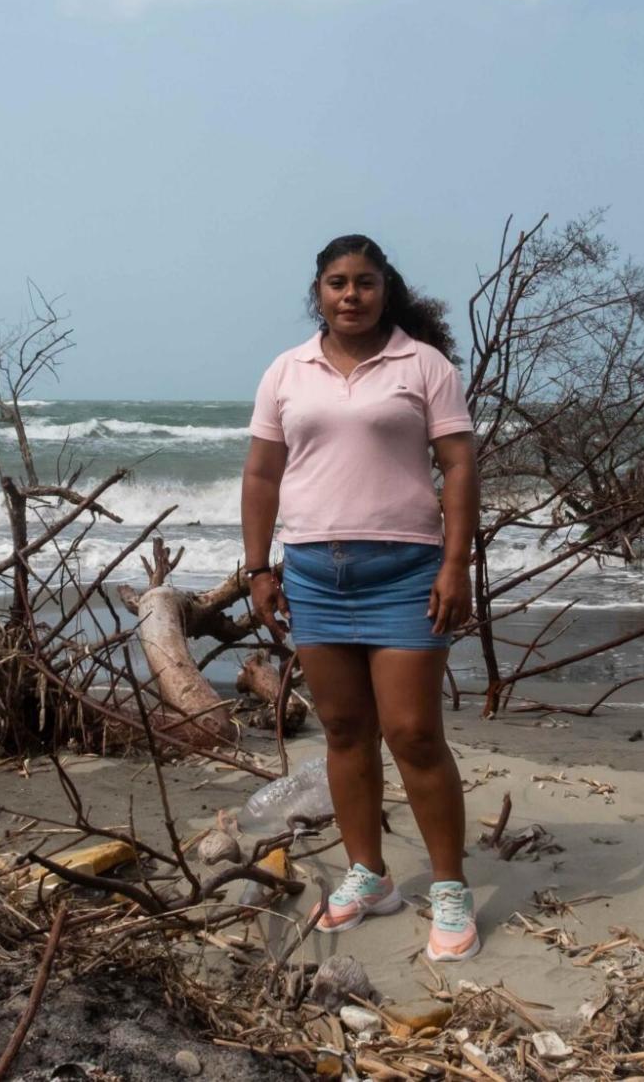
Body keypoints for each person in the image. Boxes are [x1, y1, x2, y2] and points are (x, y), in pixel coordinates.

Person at [240, 234, 482, 962]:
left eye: (366, 282)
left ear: (386, 288)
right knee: (344, 731)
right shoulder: (287, 371)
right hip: (314, 573)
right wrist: (258, 568)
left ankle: (449, 887)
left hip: (406, 571)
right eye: (338, 282)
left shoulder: (424, 365)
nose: (351, 294)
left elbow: (459, 465)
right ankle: (369, 874)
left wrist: (455, 562)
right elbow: (261, 474)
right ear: (317, 291)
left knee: (411, 732)